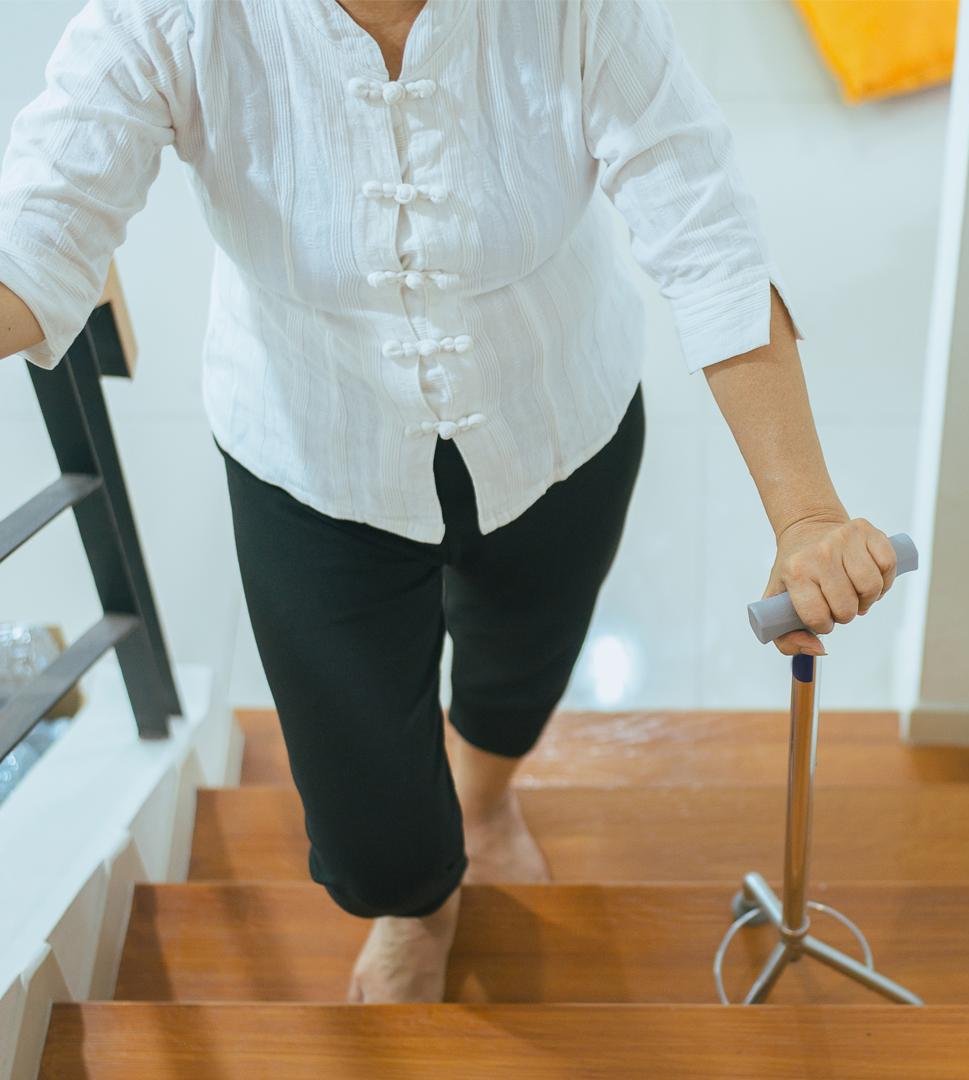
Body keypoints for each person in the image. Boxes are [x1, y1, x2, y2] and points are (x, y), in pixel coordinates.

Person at [0, 0, 898, 1003]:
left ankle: (482, 802)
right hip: (311, 453)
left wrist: (806, 511)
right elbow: (34, 241)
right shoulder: (173, 16)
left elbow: (707, 232)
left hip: (555, 420)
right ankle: (416, 904)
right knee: (365, 817)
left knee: (519, 665)